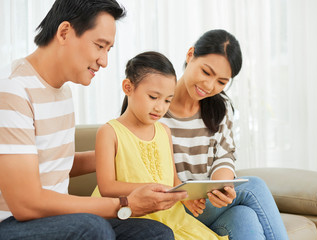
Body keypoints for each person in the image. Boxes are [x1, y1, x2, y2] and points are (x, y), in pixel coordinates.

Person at [0, 1, 187, 239]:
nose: (104, 61)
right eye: (100, 46)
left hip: (57, 217)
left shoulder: (62, 92)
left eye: (108, 50)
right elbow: (26, 203)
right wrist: (124, 203)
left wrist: (124, 151)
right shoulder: (12, 90)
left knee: (155, 233)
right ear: (64, 32)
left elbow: (54, 164)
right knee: (93, 228)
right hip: (11, 223)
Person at [160, 29, 289, 240]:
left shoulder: (220, 108)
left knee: (242, 216)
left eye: (221, 81)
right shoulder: (155, 101)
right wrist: (181, 196)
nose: (209, 86)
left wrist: (223, 188)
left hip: (203, 207)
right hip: (171, 207)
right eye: (206, 72)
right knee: (254, 186)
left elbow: (224, 157)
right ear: (190, 54)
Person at [92, 51, 228, 240]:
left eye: (167, 100)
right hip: (132, 216)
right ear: (128, 87)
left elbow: (173, 180)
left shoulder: (164, 131)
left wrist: (186, 198)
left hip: (170, 215)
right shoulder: (109, 132)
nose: (160, 108)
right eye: (153, 97)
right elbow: (106, 187)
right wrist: (150, 188)